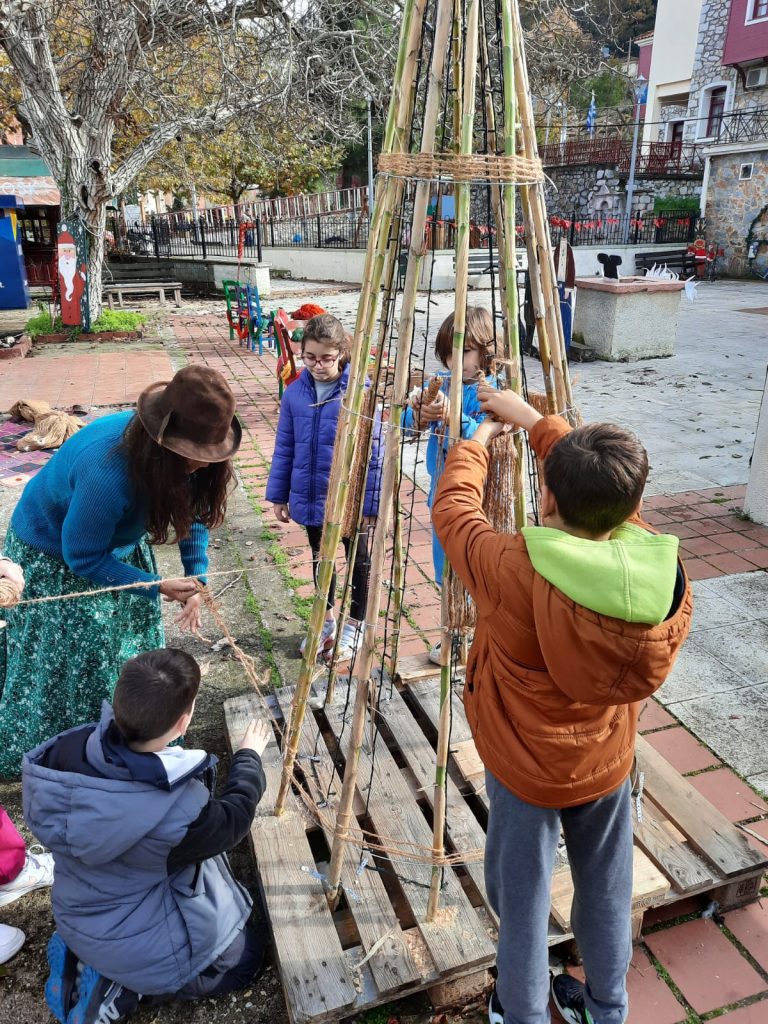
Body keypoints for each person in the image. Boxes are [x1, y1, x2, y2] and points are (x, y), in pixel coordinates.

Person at [431, 388, 693, 1024]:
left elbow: (453, 512)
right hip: (605, 761)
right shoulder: (656, 568)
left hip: (522, 768)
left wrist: (480, 442)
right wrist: (541, 425)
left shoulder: (509, 565)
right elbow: (606, 500)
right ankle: (608, 1009)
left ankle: (516, 1012)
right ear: (633, 509)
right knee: (606, 887)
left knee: (521, 899)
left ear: (544, 497)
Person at [0, 365, 241, 777]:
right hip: (55, 554)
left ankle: (137, 733)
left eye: (208, 456)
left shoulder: (187, 463)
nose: (201, 466)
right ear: (163, 441)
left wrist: (196, 575)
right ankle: (68, 756)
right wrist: (157, 585)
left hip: (114, 547)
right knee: (74, 661)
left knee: (127, 651)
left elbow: (193, 513)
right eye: (192, 456)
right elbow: (84, 557)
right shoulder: (108, 470)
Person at [22, 647, 271, 1024]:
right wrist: (249, 756)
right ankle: (123, 987)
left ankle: (85, 951)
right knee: (249, 960)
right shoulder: (175, 815)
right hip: (135, 938)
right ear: (183, 723)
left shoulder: (68, 751)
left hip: (79, 908)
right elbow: (233, 819)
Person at [266, 313, 383, 661]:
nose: (318, 365)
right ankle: (327, 620)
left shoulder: (358, 394)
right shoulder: (293, 395)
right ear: (302, 353)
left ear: (342, 354)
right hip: (311, 494)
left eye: (327, 359)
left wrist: (371, 505)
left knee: (359, 560)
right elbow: (285, 445)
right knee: (321, 557)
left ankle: (356, 625)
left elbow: (373, 453)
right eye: (310, 357)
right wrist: (278, 494)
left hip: (350, 499)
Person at [403, 305, 498, 663]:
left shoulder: (492, 391)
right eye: (447, 354)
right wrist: (420, 410)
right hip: (441, 494)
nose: (453, 362)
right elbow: (410, 422)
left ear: (487, 351)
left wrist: (452, 417)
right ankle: (451, 636)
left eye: (463, 352)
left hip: (475, 499)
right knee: (444, 571)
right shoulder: (447, 385)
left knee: (472, 571)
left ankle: (472, 637)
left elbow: (485, 437)